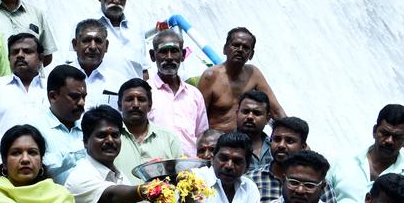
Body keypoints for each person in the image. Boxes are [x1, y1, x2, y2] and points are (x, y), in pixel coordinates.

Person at [63, 105, 156, 203]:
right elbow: (112, 195)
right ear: (85, 141)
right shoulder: (80, 176)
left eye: (115, 135)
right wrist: (152, 189)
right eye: (101, 135)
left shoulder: (121, 177)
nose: (110, 140)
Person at [198, 28, 286, 131]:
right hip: (216, 141)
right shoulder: (210, 76)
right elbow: (197, 117)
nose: (240, 50)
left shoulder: (254, 74)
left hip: (246, 141)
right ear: (225, 49)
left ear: (251, 54)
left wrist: (295, 135)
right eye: (235, 45)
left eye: (245, 47)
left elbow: (276, 110)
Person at [148, 29, 209, 157]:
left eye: (174, 51)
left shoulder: (194, 94)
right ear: (153, 56)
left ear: (183, 55)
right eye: (163, 51)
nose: (169, 57)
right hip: (156, 168)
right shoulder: (144, 92)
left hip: (191, 169)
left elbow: (201, 135)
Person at [115, 78, 183, 182]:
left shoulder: (169, 138)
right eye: (129, 99)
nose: (136, 105)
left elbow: (183, 178)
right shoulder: (110, 138)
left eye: (141, 99)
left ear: (150, 105)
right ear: (119, 105)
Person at [34, 64, 87, 185]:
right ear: (53, 96)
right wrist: (78, 153)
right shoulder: (35, 129)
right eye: (75, 97)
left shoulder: (89, 127)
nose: (82, 103)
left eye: (84, 97)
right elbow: (36, 167)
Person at [0, 32, 48, 130]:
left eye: (27, 51)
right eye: (15, 52)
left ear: (40, 59)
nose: (20, 55)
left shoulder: (52, 88)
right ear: (9, 59)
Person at [95, 0, 147, 80]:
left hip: (133, 95)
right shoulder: (85, 27)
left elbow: (144, 72)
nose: (117, 1)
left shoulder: (137, 30)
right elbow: (73, 67)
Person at [69, 18, 127, 107]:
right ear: (75, 44)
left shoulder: (119, 82)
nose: (92, 47)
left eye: (98, 41)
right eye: (86, 40)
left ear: (106, 46)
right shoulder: (61, 78)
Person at [251, 115, 310, 203]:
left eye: (289, 141)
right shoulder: (252, 180)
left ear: (303, 147)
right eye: (277, 139)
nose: (281, 145)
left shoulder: (314, 183)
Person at [236, 89, 273, 184]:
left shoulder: (276, 148)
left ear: (267, 119)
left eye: (256, 113)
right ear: (237, 114)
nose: (250, 117)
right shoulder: (223, 146)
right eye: (245, 111)